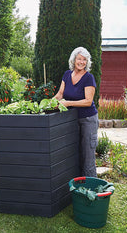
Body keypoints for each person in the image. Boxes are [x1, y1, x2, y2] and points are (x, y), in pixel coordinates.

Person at [54, 47, 98, 177]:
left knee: (87, 155)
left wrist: (68, 103)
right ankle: (78, 186)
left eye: (84, 60)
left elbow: (88, 101)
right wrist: (48, 103)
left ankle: (91, 188)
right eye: (79, 59)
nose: (82, 62)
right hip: (71, 120)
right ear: (74, 60)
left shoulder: (88, 78)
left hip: (87, 120)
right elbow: (60, 94)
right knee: (74, 153)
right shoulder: (67, 75)